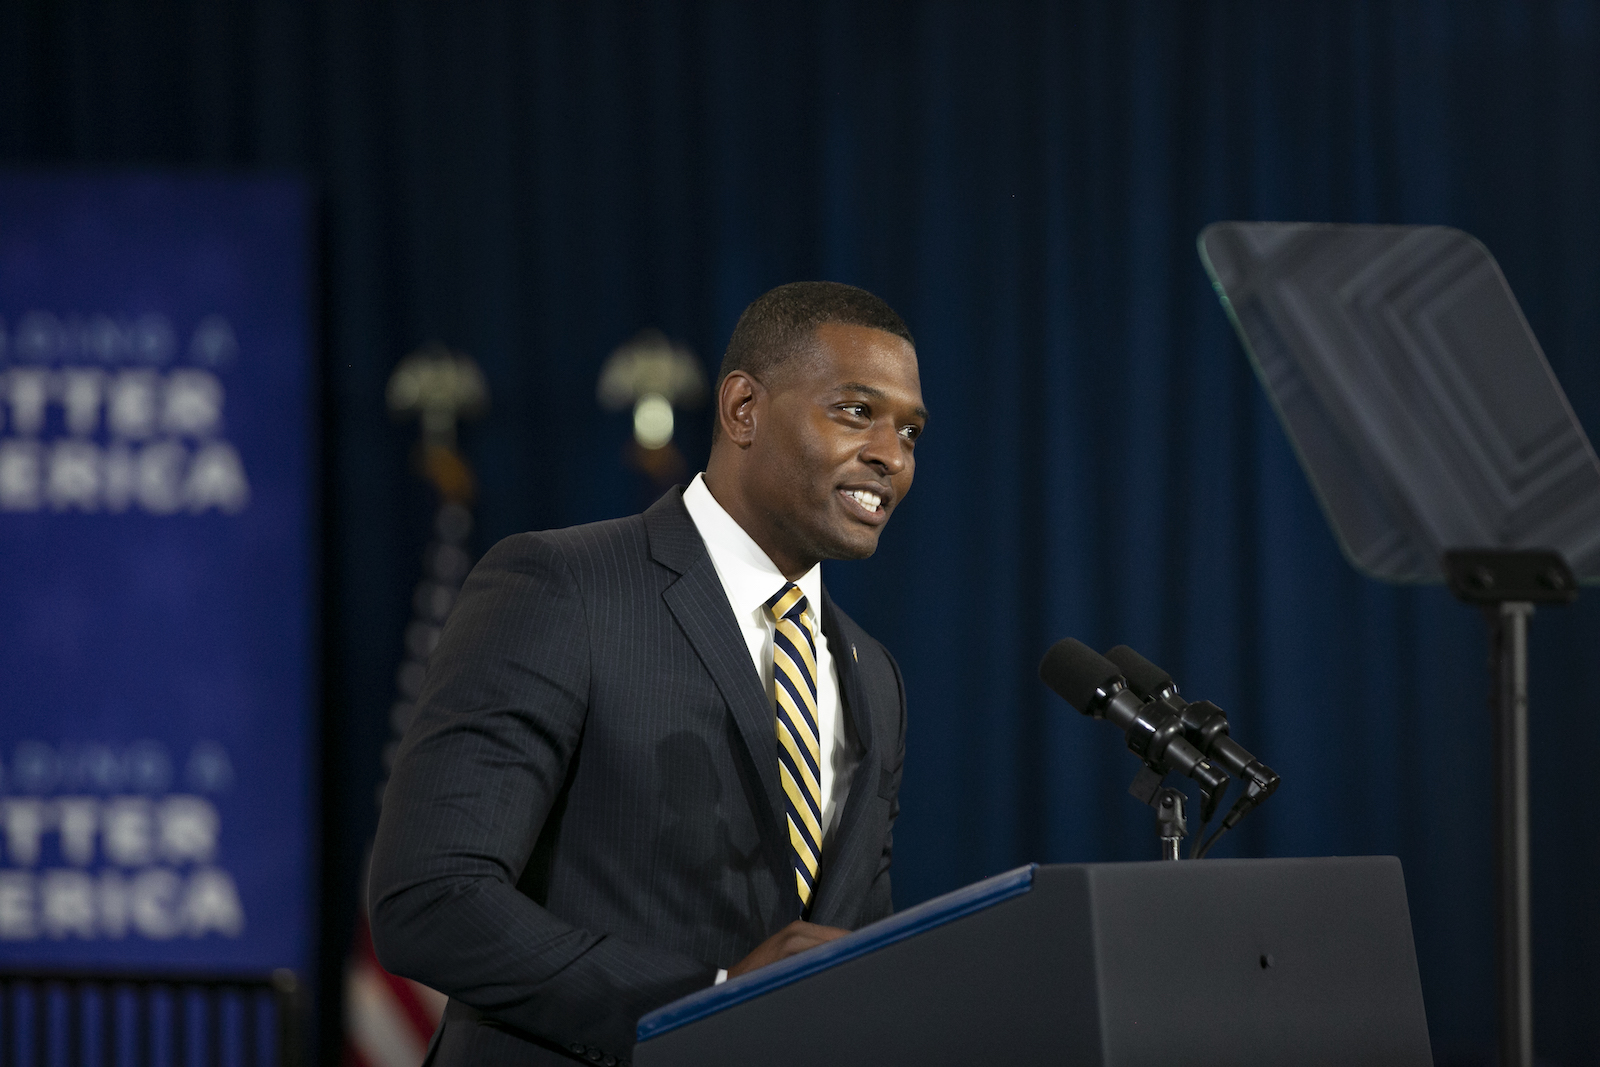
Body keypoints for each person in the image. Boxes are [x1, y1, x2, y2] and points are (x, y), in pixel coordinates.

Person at [369, 281, 928, 1066]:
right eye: (856, 411)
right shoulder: (563, 587)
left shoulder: (875, 677)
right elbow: (430, 899)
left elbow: (844, 948)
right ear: (743, 410)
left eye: (910, 431)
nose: (891, 455)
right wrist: (713, 994)